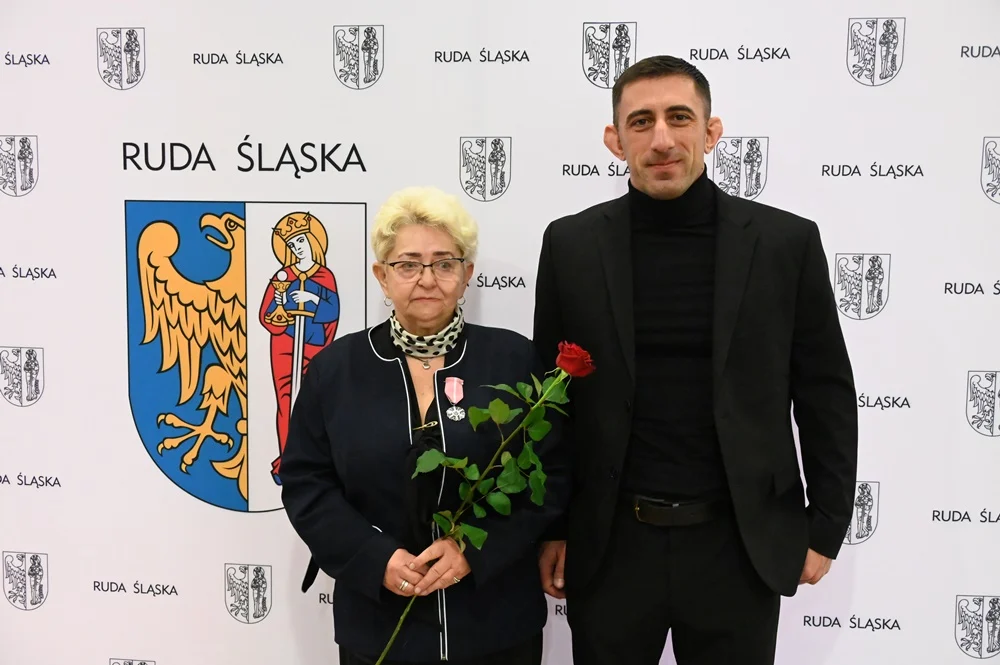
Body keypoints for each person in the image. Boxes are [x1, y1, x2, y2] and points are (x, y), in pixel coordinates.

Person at [532, 55, 858, 665]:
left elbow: (827, 395)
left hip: (739, 547)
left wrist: (826, 525)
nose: (661, 139)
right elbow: (551, 402)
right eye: (641, 121)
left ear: (711, 132)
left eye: (679, 118)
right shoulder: (570, 245)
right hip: (610, 547)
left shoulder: (786, 243)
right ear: (615, 140)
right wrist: (552, 524)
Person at [280, 186, 570, 665]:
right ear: (382, 275)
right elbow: (306, 482)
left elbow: (550, 475)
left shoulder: (513, 359)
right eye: (408, 264)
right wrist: (374, 557)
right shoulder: (336, 369)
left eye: (444, 263)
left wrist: (474, 549)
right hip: (378, 624)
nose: (427, 279)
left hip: (495, 621)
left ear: (467, 274)